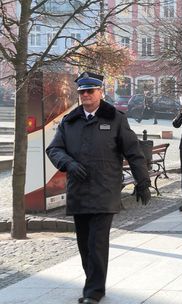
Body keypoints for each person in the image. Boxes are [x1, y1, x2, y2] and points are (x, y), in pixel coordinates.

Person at [46, 72, 151, 304]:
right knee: (84, 244)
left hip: (105, 191)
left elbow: (133, 152)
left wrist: (143, 182)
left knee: (97, 242)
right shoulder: (69, 121)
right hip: (79, 192)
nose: (85, 95)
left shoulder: (115, 118)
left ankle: (93, 291)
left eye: (90, 91)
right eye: (82, 91)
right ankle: (93, 283)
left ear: (100, 92)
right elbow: (54, 149)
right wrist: (69, 164)